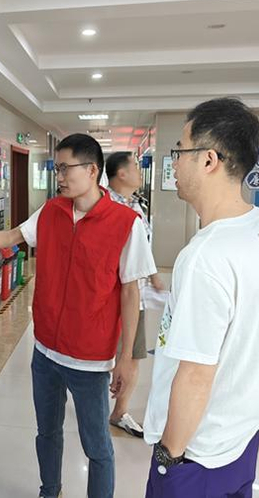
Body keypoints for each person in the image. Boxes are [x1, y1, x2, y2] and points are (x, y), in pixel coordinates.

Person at [0, 134, 148, 498]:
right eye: (56, 168)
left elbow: (130, 291)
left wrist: (124, 357)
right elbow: (11, 237)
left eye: (65, 169)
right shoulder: (51, 212)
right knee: (47, 432)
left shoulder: (126, 223)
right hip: (45, 352)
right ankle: (50, 490)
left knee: (97, 447)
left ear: (92, 170)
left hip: (90, 360)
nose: (58, 177)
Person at [143, 98, 259, 498]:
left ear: (208, 160)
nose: (174, 164)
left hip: (196, 454)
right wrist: (250, 378)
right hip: (244, 435)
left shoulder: (204, 255)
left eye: (180, 151)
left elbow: (196, 375)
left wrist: (169, 456)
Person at [105, 151, 165, 438]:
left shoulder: (136, 204)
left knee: (131, 355)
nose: (141, 172)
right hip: (113, 295)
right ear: (121, 173)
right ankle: (107, 409)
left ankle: (119, 410)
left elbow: (142, 249)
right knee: (113, 356)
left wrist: (152, 276)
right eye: (136, 167)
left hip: (135, 294)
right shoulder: (106, 206)